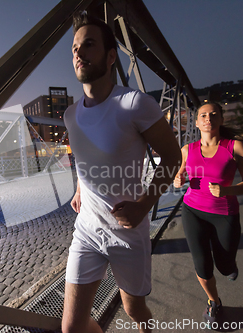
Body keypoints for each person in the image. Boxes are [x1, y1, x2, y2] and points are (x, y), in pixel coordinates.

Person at [61, 11, 182, 333]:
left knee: (134, 309)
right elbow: (84, 159)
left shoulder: (135, 103)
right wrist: (79, 189)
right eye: (74, 48)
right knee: (71, 328)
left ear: (111, 55)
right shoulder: (70, 115)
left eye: (88, 45)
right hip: (86, 229)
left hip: (127, 233)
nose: (78, 53)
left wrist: (144, 206)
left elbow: (172, 156)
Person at [173, 102, 243, 327]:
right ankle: (214, 301)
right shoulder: (187, 149)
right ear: (197, 122)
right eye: (203, 115)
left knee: (224, 264)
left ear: (220, 119)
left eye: (213, 114)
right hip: (192, 210)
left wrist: (227, 190)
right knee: (202, 262)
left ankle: (230, 266)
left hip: (224, 213)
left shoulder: (235, 147)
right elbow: (180, 175)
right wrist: (178, 179)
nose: (208, 118)